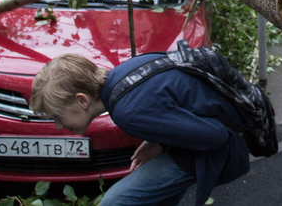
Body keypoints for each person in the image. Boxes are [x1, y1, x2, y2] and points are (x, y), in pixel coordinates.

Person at [30, 52, 250, 206]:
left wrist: (165, 141)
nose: (58, 125)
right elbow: (170, 106)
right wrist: (157, 139)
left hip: (218, 144)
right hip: (220, 123)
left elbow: (216, 135)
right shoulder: (123, 74)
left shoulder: (127, 114)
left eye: (58, 116)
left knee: (115, 202)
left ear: (82, 100)